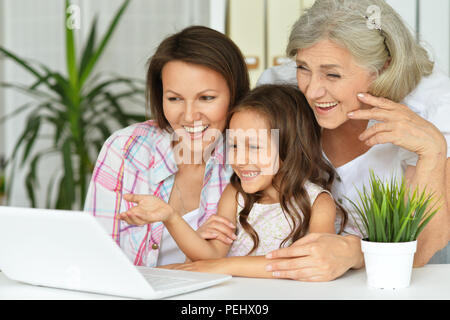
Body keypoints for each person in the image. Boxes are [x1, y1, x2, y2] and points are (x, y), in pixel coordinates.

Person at [198, 0, 450, 281]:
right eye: (303, 67)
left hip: (398, 280)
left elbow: (422, 252)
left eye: (332, 74)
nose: (313, 90)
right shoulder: (284, 91)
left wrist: (434, 151)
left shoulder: (432, 106)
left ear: (383, 68)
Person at [120, 84, 348, 277]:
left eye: (254, 146)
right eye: (235, 145)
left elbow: (307, 262)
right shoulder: (235, 195)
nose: (239, 159)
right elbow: (210, 255)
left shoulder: (318, 203)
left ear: (290, 147)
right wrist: (169, 216)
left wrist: (220, 267)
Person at [83, 25, 250, 267]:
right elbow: (95, 254)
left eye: (206, 98)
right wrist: (191, 259)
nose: (190, 116)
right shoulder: (125, 149)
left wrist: (197, 254)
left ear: (235, 95)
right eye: (174, 98)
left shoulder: (249, 159)